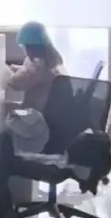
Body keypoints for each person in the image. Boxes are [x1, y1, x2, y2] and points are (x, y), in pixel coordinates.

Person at [4, 21, 65, 153]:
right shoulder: (51, 59)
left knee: (6, 118)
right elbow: (29, 73)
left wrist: (4, 71)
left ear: (30, 47)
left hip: (36, 118)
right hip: (49, 114)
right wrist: (15, 68)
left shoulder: (37, 64)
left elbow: (15, 83)